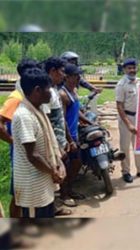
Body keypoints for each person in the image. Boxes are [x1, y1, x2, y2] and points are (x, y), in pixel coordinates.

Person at [12, 67, 66, 218]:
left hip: (43, 182)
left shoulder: (39, 110)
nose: (52, 92)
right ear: (37, 90)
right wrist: (54, 172)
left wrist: (59, 164)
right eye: (48, 88)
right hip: (33, 188)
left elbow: (50, 141)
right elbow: (33, 155)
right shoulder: (24, 116)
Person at [0, 59, 39, 218]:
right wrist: (13, 142)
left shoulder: (27, 94)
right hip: (20, 154)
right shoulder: (16, 97)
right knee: (19, 193)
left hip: (29, 150)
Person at [115, 58, 140, 183]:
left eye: (134, 67)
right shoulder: (121, 85)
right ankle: (126, 172)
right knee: (125, 147)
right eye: (129, 68)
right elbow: (119, 106)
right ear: (124, 70)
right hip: (126, 118)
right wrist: (128, 124)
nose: (132, 70)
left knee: (139, 144)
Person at [43, 57, 75, 213]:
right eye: (62, 72)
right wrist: (56, 147)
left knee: (60, 173)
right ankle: (53, 206)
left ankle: (56, 203)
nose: (64, 75)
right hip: (53, 145)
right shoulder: (46, 93)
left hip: (60, 142)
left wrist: (67, 139)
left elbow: (60, 119)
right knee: (52, 175)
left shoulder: (54, 90)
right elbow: (47, 123)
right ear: (52, 71)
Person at [60, 63, 91, 202]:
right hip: (68, 136)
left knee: (77, 163)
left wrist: (88, 121)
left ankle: (69, 189)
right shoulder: (63, 94)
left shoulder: (74, 92)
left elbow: (76, 111)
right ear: (66, 77)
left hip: (74, 133)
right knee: (68, 165)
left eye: (79, 76)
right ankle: (64, 194)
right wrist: (69, 139)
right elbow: (62, 119)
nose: (78, 78)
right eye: (75, 76)